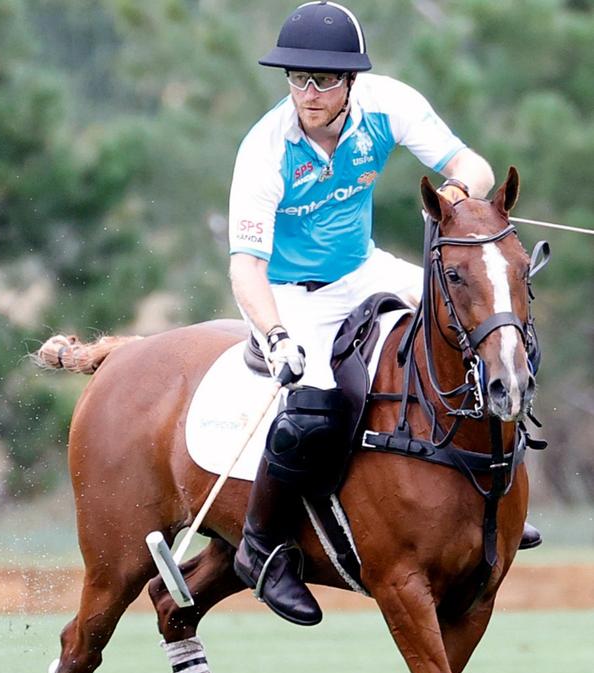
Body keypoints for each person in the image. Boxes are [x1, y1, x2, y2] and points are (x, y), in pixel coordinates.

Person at [228, 1, 540, 627]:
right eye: (296, 78)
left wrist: (457, 191)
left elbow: (470, 166)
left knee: (491, 329)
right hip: (294, 292)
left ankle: (495, 491)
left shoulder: (389, 105)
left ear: (351, 82)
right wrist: (277, 332)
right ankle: (262, 549)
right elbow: (245, 268)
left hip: (363, 268)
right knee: (316, 406)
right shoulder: (266, 148)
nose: (307, 93)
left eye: (322, 80)